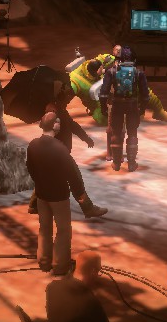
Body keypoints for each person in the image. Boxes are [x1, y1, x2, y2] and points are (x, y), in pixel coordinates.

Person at [27, 112, 108, 274]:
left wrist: (40, 184)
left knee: (44, 229)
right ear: (54, 125)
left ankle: (44, 262)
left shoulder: (33, 145)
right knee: (63, 230)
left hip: (42, 195)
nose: (60, 124)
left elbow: (30, 169)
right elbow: (73, 176)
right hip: (59, 196)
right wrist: (82, 199)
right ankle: (60, 266)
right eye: (58, 122)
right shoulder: (59, 148)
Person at [28, 80, 98, 214]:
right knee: (75, 178)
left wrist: (85, 138)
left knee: (47, 178)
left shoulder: (59, 108)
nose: (69, 97)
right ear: (59, 94)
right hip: (58, 153)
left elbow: (72, 125)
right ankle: (88, 208)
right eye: (67, 94)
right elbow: (49, 130)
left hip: (57, 152)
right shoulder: (53, 110)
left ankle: (34, 204)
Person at [67, 47, 167, 126]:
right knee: (107, 120)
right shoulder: (76, 81)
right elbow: (65, 94)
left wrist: (114, 63)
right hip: (97, 103)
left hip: (112, 87)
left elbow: (109, 58)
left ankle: (159, 111)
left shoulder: (99, 62)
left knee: (139, 88)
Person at [99, 45, 151, 172]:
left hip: (117, 105)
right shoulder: (138, 73)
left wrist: (103, 107)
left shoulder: (112, 71)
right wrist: (142, 108)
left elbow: (103, 92)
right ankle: (131, 164)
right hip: (132, 106)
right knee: (132, 133)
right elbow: (145, 95)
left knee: (116, 133)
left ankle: (116, 163)